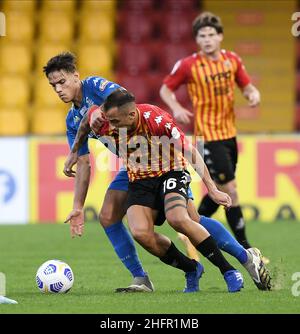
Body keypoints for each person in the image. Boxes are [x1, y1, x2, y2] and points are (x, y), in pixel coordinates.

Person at [67, 102, 272, 292]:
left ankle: (229, 269)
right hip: (139, 177)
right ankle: (191, 268)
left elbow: (190, 149)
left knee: (181, 219)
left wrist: (212, 188)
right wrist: (75, 150)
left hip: (170, 170)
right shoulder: (104, 122)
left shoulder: (155, 119)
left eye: (116, 122)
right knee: (140, 232)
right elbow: (85, 123)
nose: (111, 127)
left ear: (131, 114)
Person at [43, 52, 154, 292]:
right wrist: (77, 206)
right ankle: (141, 278)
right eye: (53, 86)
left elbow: (125, 100)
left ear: (76, 76)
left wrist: (96, 112)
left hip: (159, 157)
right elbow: (83, 163)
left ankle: (240, 259)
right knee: (108, 217)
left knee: (186, 221)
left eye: (62, 82)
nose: (58, 89)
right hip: (133, 166)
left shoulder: (95, 85)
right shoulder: (72, 120)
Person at [160, 12, 266, 261]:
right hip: (207, 136)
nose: (207, 39)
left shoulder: (232, 60)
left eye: (211, 35)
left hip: (229, 135)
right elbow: (166, 88)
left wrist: (254, 95)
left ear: (220, 37)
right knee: (231, 189)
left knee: (218, 191)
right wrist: (175, 107)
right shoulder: (189, 65)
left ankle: (189, 229)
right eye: (201, 35)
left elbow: (247, 86)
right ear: (197, 40)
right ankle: (247, 248)